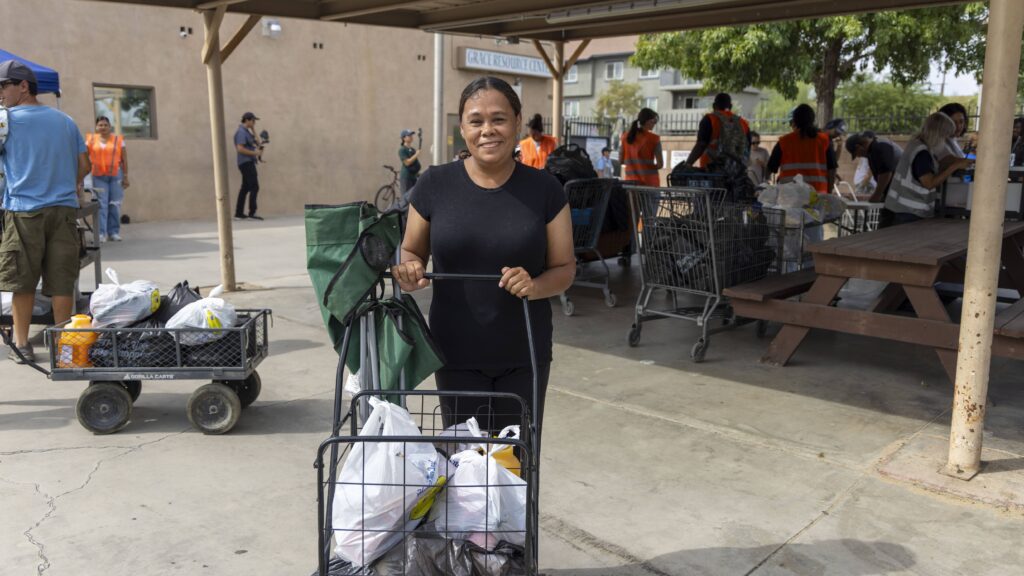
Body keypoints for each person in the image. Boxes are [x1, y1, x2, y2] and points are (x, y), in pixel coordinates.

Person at [392, 76, 575, 445]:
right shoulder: (434, 185)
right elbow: (411, 250)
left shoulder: (545, 189)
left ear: (517, 122)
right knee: (465, 470)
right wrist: (408, 269)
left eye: (499, 119)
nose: (487, 130)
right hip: (455, 352)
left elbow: (565, 268)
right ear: (462, 128)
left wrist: (536, 285)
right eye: (476, 121)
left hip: (524, 351)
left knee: (515, 468)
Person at [0, 60, 90, 363]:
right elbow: (85, 166)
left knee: (22, 282)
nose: (0, 94)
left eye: (3, 86)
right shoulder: (65, 121)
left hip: (24, 212)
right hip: (63, 212)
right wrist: (67, 183)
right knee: (62, 281)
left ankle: (22, 345)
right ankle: (62, 347)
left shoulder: (5, 120)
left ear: (23, 86)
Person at [881, 112, 972, 227]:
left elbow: (929, 169)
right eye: (944, 136)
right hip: (909, 210)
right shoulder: (922, 153)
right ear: (938, 134)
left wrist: (952, 163)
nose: (944, 142)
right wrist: (955, 166)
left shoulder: (916, 144)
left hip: (900, 207)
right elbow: (929, 183)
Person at [766, 104, 838, 195]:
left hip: (789, 197)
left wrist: (764, 185)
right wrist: (829, 192)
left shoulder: (784, 142)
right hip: (817, 196)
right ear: (812, 120)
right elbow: (832, 169)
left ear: (795, 121)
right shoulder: (824, 141)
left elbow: (770, 168)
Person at [85, 116, 129, 242]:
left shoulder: (118, 140)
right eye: (100, 125)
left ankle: (113, 232)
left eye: (105, 125)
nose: (103, 127)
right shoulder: (90, 141)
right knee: (101, 205)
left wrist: (126, 176)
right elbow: (84, 158)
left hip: (116, 176)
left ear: (110, 127)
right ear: (96, 127)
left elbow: (125, 159)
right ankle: (101, 234)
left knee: (115, 204)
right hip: (98, 177)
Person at [684, 92, 750, 169]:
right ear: (731, 106)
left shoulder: (709, 119)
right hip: (735, 173)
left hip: (711, 170)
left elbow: (701, 144)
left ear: (714, 106)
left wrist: (688, 163)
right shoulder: (743, 123)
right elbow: (747, 149)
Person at [845, 131, 903, 203]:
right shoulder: (872, 149)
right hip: (895, 193)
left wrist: (877, 195)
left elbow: (886, 173)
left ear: (858, 147)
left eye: (856, 153)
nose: (858, 156)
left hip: (902, 193)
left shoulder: (878, 147)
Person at [620, 108, 663, 186]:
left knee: (633, 199)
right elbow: (660, 164)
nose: (654, 124)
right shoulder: (654, 139)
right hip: (649, 184)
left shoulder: (625, 137)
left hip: (631, 184)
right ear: (648, 121)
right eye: (654, 122)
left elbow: (621, 160)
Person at [234, 111, 262, 220]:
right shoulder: (241, 132)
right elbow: (240, 148)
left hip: (247, 162)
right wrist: (255, 153)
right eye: (253, 120)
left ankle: (239, 213)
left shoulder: (247, 132)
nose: (254, 122)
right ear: (247, 120)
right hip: (246, 162)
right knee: (254, 186)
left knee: (245, 188)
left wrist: (253, 129)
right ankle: (252, 213)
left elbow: (259, 143)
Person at [398, 128, 421, 200]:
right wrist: (416, 154)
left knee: (414, 198)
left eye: (411, 135)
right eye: (409, 135)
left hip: (413, 177)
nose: (411, 137)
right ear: (404, 138)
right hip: (406, 177)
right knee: (406, 198)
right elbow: (407, 162)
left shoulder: (412, 149)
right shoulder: (402, 150)